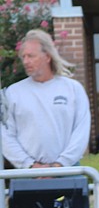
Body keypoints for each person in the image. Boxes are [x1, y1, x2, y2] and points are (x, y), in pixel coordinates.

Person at [2, 29, 91, 169]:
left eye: (31, 56)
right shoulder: (13, 93)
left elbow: (81, 132)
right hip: (26, 175)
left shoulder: (73, 89)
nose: (26, 61)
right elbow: (5, 136)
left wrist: (59, 165)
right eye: (23, 57)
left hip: (68, 171)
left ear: (47, 57)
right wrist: (30, 165)